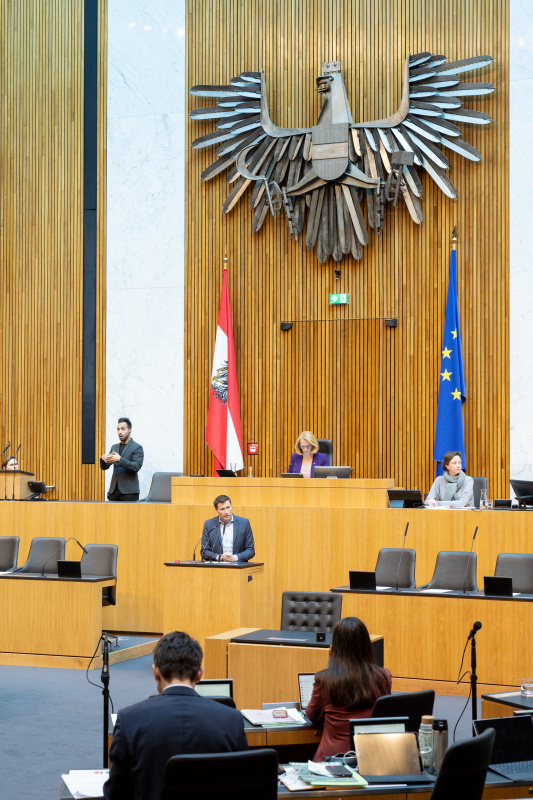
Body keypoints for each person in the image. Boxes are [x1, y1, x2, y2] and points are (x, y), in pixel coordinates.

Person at [103, 631, 248, 800]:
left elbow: (116, 794)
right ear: (199, 674)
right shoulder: (232, 720)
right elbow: (243, 787)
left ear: (156, 673)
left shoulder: (129, 719)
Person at [305, 616, 392, 761]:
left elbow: (312, 716)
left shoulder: (324, 679)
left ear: (336, 646)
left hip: (332, 761)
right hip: (372, 759)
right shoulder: (383, 677)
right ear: (366, 645)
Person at [100, 417, 144, 502]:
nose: (120, 432)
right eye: (118, 429)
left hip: (129, 492)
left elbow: (136, 467)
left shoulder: (137, 448)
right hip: (113, 491)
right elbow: (105, 467)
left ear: (130, 430)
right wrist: (103, 459)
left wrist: (120, 459)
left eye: (123, 429)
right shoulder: (114, 447)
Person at [201, 494, 255, 562]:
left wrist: (235, 558)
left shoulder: (244, 523)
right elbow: (204, 551)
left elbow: (250, 550)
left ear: (231, 506)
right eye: (222, 509)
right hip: (217, 568)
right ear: (216, 510)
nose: (226, 512)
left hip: (239, 566)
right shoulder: (209, 524)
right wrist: (219, 557)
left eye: (228, 507)